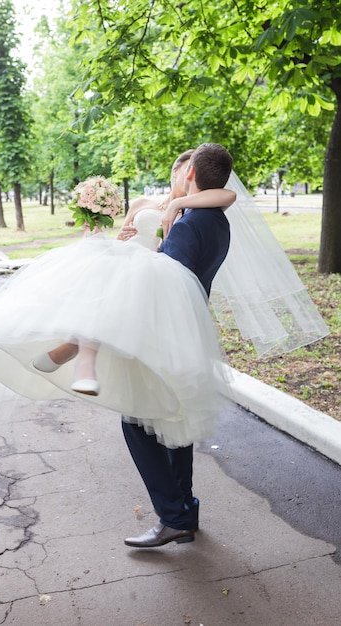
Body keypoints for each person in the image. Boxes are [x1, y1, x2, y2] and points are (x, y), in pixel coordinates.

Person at [0, 145, 236, 451]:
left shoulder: (192, 211)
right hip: (133, 265)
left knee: (116, 294)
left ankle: (72, 347)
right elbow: (126, 232)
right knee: (97, 272)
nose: (182, 177)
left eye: (187, 171)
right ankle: (71, 351)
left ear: (192, 175)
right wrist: (118, 237)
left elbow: (227, 195)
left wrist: (178, 204)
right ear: (175, 172)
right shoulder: (148, 203)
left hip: (153, 282)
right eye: (178, 170)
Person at [121, 143, 234, 548]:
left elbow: (166, 281)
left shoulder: (188, 223)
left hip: (167, 335)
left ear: (190, 176)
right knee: (176, 422)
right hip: (192, 333)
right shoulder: (217, 220)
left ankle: (174, 515)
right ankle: (184, 512)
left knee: (135, 420)